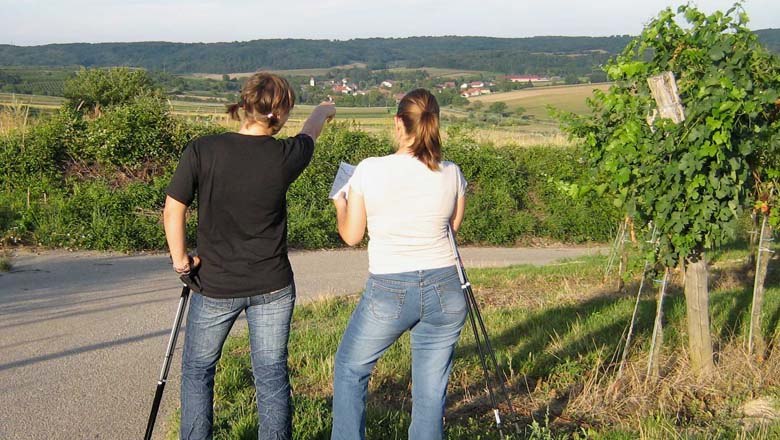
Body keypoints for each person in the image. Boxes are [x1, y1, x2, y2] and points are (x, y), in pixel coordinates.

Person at [163, 72, 336, 440]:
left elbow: (173, 208)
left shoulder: (202, 149)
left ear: (244, 105)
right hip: (272, 284)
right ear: (281, 113)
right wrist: (324, 109)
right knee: (271, 374)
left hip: (214, 285)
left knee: (198, 371)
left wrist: (181, 260)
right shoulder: (287, 156)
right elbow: (311, 130)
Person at [331, 88, 467, 440]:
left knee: (350, 368)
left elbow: (351, 236)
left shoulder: (369, 170)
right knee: (429, 393)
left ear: (397, 123)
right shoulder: (452, 173)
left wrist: (340, 203)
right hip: (447, 288)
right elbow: (451, 228)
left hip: (390, 289)